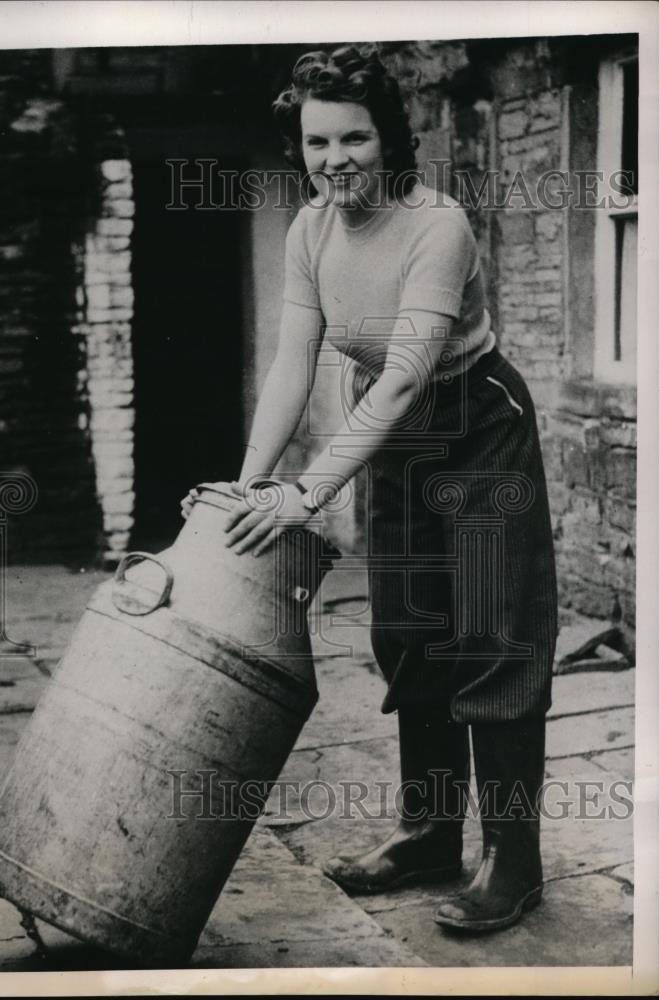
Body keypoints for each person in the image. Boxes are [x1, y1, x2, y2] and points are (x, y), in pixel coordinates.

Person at [181, 45, 557, 933]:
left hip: (474, 426)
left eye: (354, 139)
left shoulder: (438, 226)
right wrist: (249, 486)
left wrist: (305, 494)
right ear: (298, 146)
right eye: (317, 142)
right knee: (407, 633)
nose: (334, 160)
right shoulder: (309, 230)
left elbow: (401, 380)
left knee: (491, 639)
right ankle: (428, 831)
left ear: (388, 139)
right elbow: (290, 362)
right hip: (393, 445)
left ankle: (515, 859)